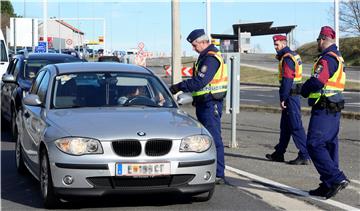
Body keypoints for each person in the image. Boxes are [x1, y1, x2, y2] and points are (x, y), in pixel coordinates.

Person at [169, 29, 228, 184]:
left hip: (211, 104)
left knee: (214, 139)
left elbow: (200, 82)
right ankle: (211, 171)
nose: (193, 48)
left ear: (203, 42)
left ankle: (219, 173)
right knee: (206, 139)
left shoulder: (210, 59)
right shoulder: (204, 57)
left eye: (195, 45)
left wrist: (178, 87)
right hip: (204, 103)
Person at [301, 26, 349, 199]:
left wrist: (304, 89)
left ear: (322, 39)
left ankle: (336, 179)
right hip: (333, 108)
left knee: (314, 144)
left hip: (324, 108)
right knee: (329, 146)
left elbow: (318, 80)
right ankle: (328, 184)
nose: (317, 43)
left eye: (318, 40)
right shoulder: (338, 57)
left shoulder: (327, 59)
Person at [265, 35, 311, 165]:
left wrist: (283, 98)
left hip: (290, 96)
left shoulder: (287, 58)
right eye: (274, 45)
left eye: (277, 45)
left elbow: (287, 79)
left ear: (284, 43)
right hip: (292, 95)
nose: (275, 47)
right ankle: (279, 153)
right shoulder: (292, 55)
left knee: (295, 126)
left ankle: (304, 154)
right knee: (285, 126)